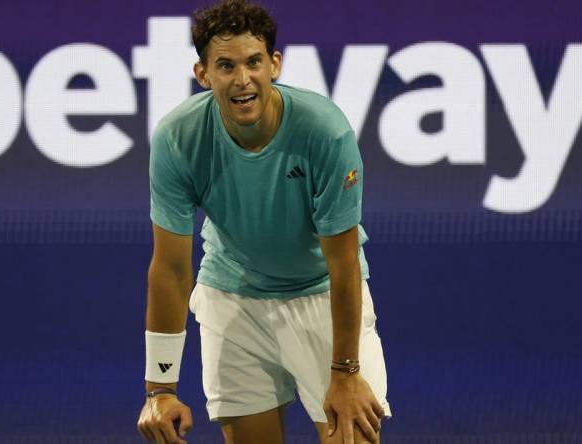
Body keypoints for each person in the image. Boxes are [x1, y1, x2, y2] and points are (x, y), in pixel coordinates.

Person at [136, 1, 391, 443]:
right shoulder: (178, 138)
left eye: (254, 62)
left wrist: (346, 371)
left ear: (274, 64)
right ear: (203, 74)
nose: (242, 79)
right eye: (225, 65)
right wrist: (160, 388)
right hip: (232, 301)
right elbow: (172, 270)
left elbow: (344, 263)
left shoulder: (324, 131)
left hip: (322, 298)